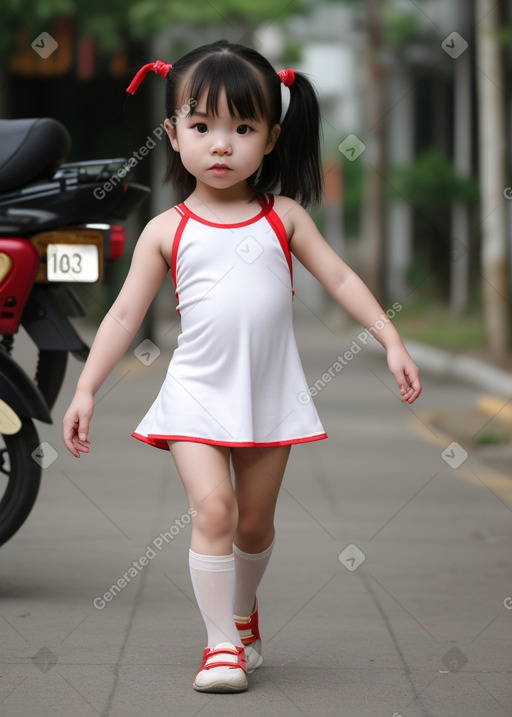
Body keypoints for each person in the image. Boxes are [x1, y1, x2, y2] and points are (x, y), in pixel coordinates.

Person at [63, 40, 421, 694]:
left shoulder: (282, 218)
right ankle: (221, 644)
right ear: (173, 135)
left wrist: (390, 337)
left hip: (270, 396)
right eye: (202, 127)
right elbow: (118, 317)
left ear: (271, 137)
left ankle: (242, 612)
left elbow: (339, 276)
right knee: (214, 509)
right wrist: (86, 387)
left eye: (242, 128)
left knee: (255, 524)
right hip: (196, 396)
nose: (221, 145)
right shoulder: (166, 230)